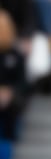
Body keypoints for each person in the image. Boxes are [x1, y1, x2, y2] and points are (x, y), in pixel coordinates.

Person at [0, 10, 26, 140]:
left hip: (11, 98)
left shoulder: (16, 55)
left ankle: (9, 140)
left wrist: (9, 92)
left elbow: (22, 81)